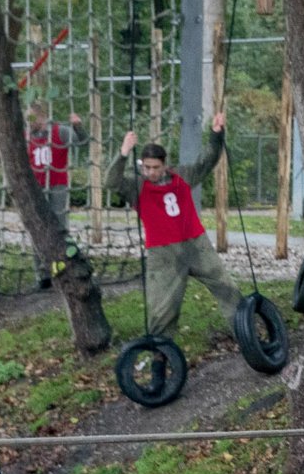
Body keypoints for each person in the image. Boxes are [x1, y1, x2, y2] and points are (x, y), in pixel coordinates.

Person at [112, 114, 239, 340]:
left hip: (195, 244)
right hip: (163, 253)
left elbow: (206, 162)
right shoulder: (136, 186)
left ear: (164, 165)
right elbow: (111, 182)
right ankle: (160, 358)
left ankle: (247, 336)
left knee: (227, 288)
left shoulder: (181, 175)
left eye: (156, 167)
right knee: (161, 311)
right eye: (147, 167)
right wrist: (123, 153)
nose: (151, 172)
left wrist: (216, 135)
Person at [25, 110, 82, 217]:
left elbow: (81, 142)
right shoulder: (26, 136)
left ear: (42, 117)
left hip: (57, 184)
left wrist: (77, 127)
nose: (29, 122)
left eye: (31, 118)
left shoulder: (61, 131)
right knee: (38, 218)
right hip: (35, 184)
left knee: (59, 218)